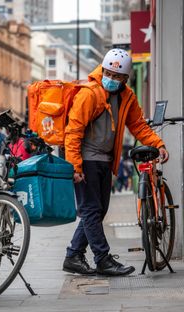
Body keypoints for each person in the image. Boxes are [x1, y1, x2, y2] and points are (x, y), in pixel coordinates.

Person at [62, 49, 169, 276]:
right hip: (86, 159)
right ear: (103, 69)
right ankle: (103, 259)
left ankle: (73, 255)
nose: (111, 79)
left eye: (118, 76)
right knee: (91, 210)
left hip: (105, 160)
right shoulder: (89, 94)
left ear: (125, 79)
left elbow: (138, 125)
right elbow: (73, 132)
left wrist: (158, 144)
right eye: (108, 73)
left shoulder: (126, 96)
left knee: (98, 211)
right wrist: (75, 166)